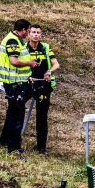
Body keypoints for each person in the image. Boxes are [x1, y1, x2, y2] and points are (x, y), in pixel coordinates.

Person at [0, 19, 37, 154]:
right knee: (18, 113)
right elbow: (14, 61)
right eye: (28, 31)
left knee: (12, 111)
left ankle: (4, 139)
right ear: (23, 30)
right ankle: (13, 146)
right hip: (14, 83)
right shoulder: (12, 41)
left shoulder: (16, 40)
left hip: (16, 81)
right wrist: (29, 63)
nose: (28, 33)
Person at [24, 24, 60, 154]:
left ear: (41, 35)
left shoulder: (45, 47)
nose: (36, 35)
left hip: (43, 86)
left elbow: (56, 64)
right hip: (28, 84)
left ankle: (41, 147)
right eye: (33, 32)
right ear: (28, 34)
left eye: (38, 32)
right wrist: (27, 76)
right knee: (16, 108)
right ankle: (12, 141)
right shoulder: (24, 48)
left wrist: (49, 71)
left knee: (42, 117)